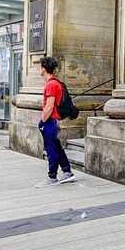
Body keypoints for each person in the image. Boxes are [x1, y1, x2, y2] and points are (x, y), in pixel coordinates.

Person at [37, 56, 75, 185]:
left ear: (44, 68)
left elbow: (49, 106)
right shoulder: (53, 83)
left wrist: (42, 121)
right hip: (53, 121)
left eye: (40, 66)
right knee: (57, 147)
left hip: (50, 121)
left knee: (51, 149)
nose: (39, 69)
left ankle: (52, 177)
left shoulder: (52, 84)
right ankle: (67, 172)